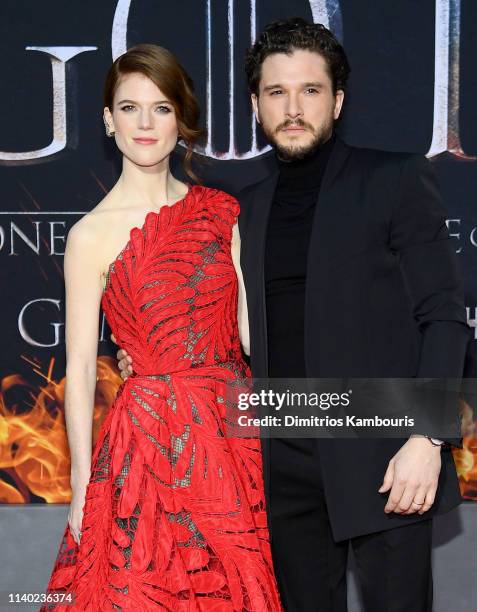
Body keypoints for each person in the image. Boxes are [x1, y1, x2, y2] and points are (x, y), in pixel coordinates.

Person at [117, 19, 471, 612]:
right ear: (256, 105)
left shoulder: (394, 179)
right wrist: (152, 355)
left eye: (310, 90)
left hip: (385, 450)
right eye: (277, 93)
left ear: (338, 99)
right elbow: (222, 326)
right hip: (278, 458)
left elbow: (443, 315)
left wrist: (426, 438)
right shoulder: (242, 209)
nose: (293, 108)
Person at [41, 44, 282, 611]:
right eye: (129, 108)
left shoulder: (224, 212)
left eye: (162, 107)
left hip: (233, 441)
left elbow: (253, 337)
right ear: (107, 120)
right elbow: (78, 367)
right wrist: (81, 485)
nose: (145, 124)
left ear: (182, 118)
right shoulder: (90, 236)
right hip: (145, 450)